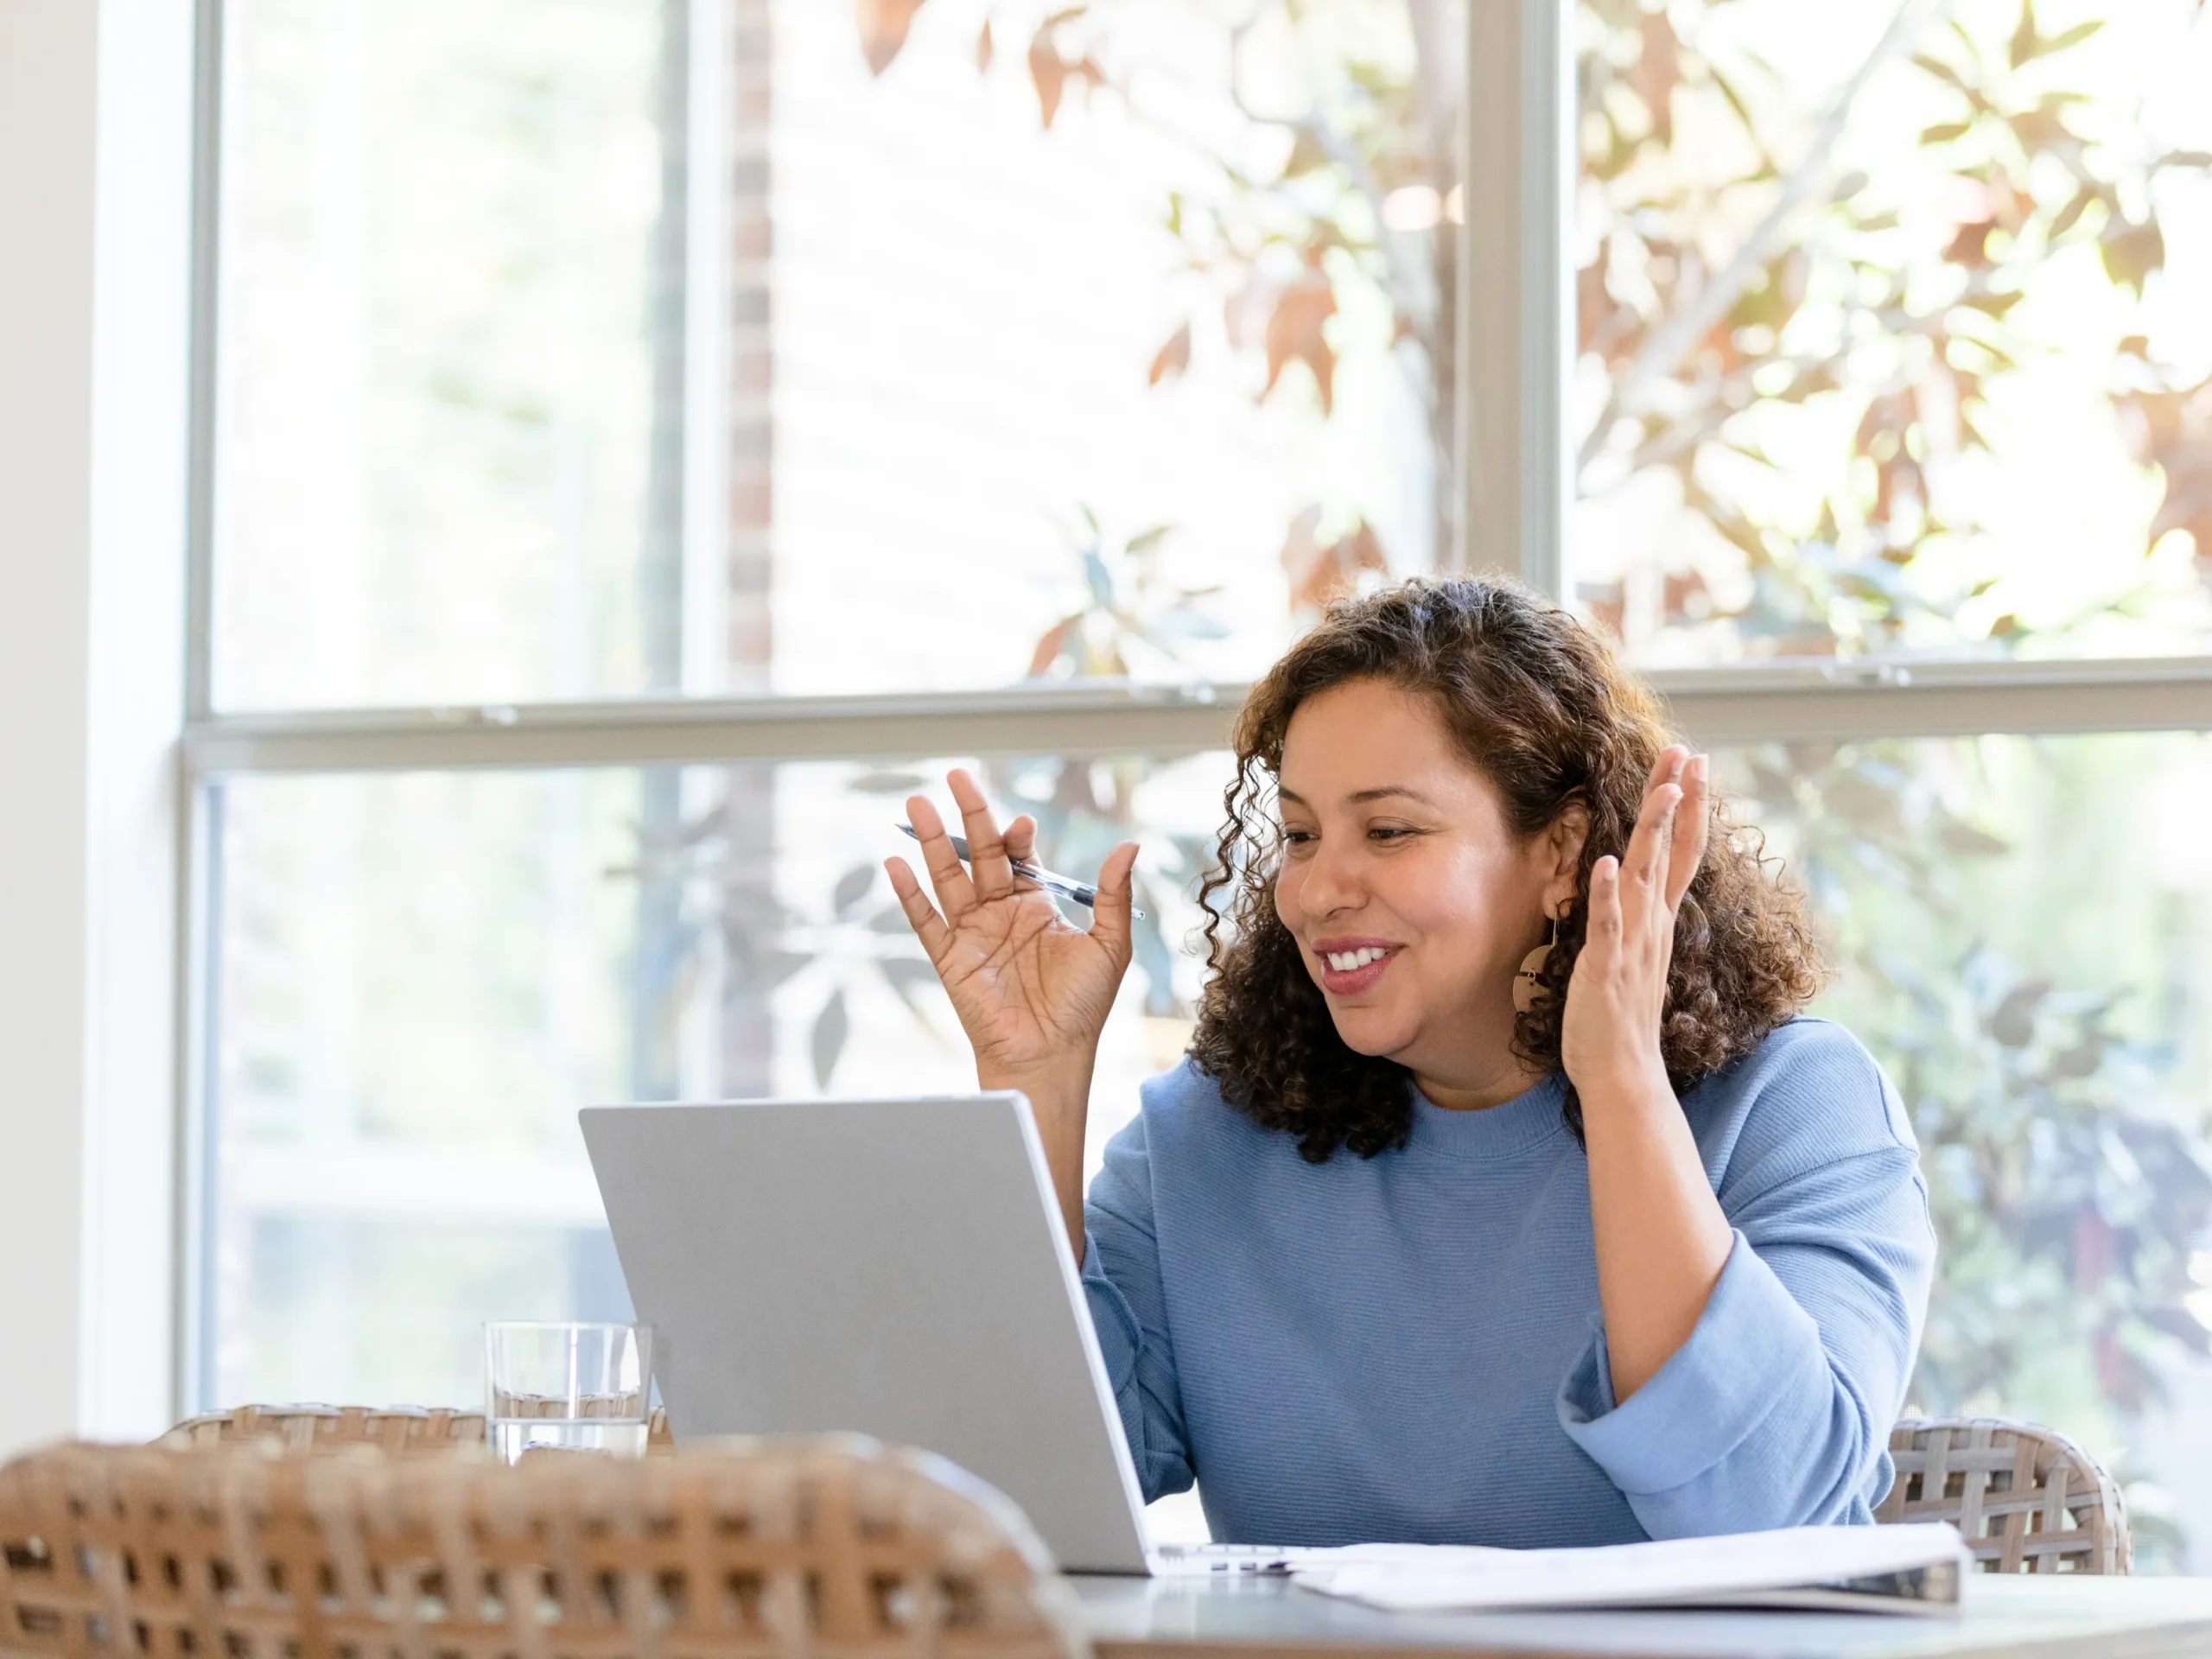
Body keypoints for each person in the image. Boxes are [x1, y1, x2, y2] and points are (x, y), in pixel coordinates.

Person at [886, 577, 1935, 1548]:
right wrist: (1037, 1082)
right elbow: (1008, 1503)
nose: (1316, 891)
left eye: (1387, 831)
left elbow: (1768, 1515)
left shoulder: (1794, 1107)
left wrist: (1619, 1080)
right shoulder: (1206, 1139)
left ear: (1562, 854)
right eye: (1298, 836)